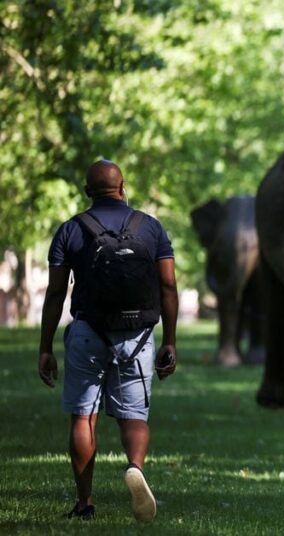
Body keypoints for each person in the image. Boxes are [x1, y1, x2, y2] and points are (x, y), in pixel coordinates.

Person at [38, 160, 178, 522]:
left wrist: (45, 347)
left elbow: (55, 293)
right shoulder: (151, 228)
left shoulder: (70, 230)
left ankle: (85, 504)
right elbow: (168, 286)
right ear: (122, 186)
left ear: (87, 191)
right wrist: (171, 341)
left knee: (84, 418)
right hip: (138, 335)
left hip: (88, 333)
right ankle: (135, 467)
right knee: (134, 417)